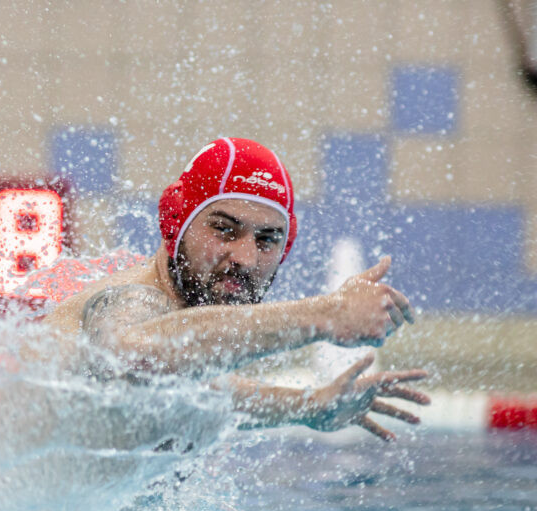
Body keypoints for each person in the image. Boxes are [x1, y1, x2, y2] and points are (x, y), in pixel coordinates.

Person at [43, 137, 429, 441]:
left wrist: (310, 407)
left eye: (267, 239)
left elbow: (199, 395)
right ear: (176, 223)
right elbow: (128, 357)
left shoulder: (183, 340)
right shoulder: (133, 300)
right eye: (224, 229)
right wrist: (327, 315)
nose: (245, 257)